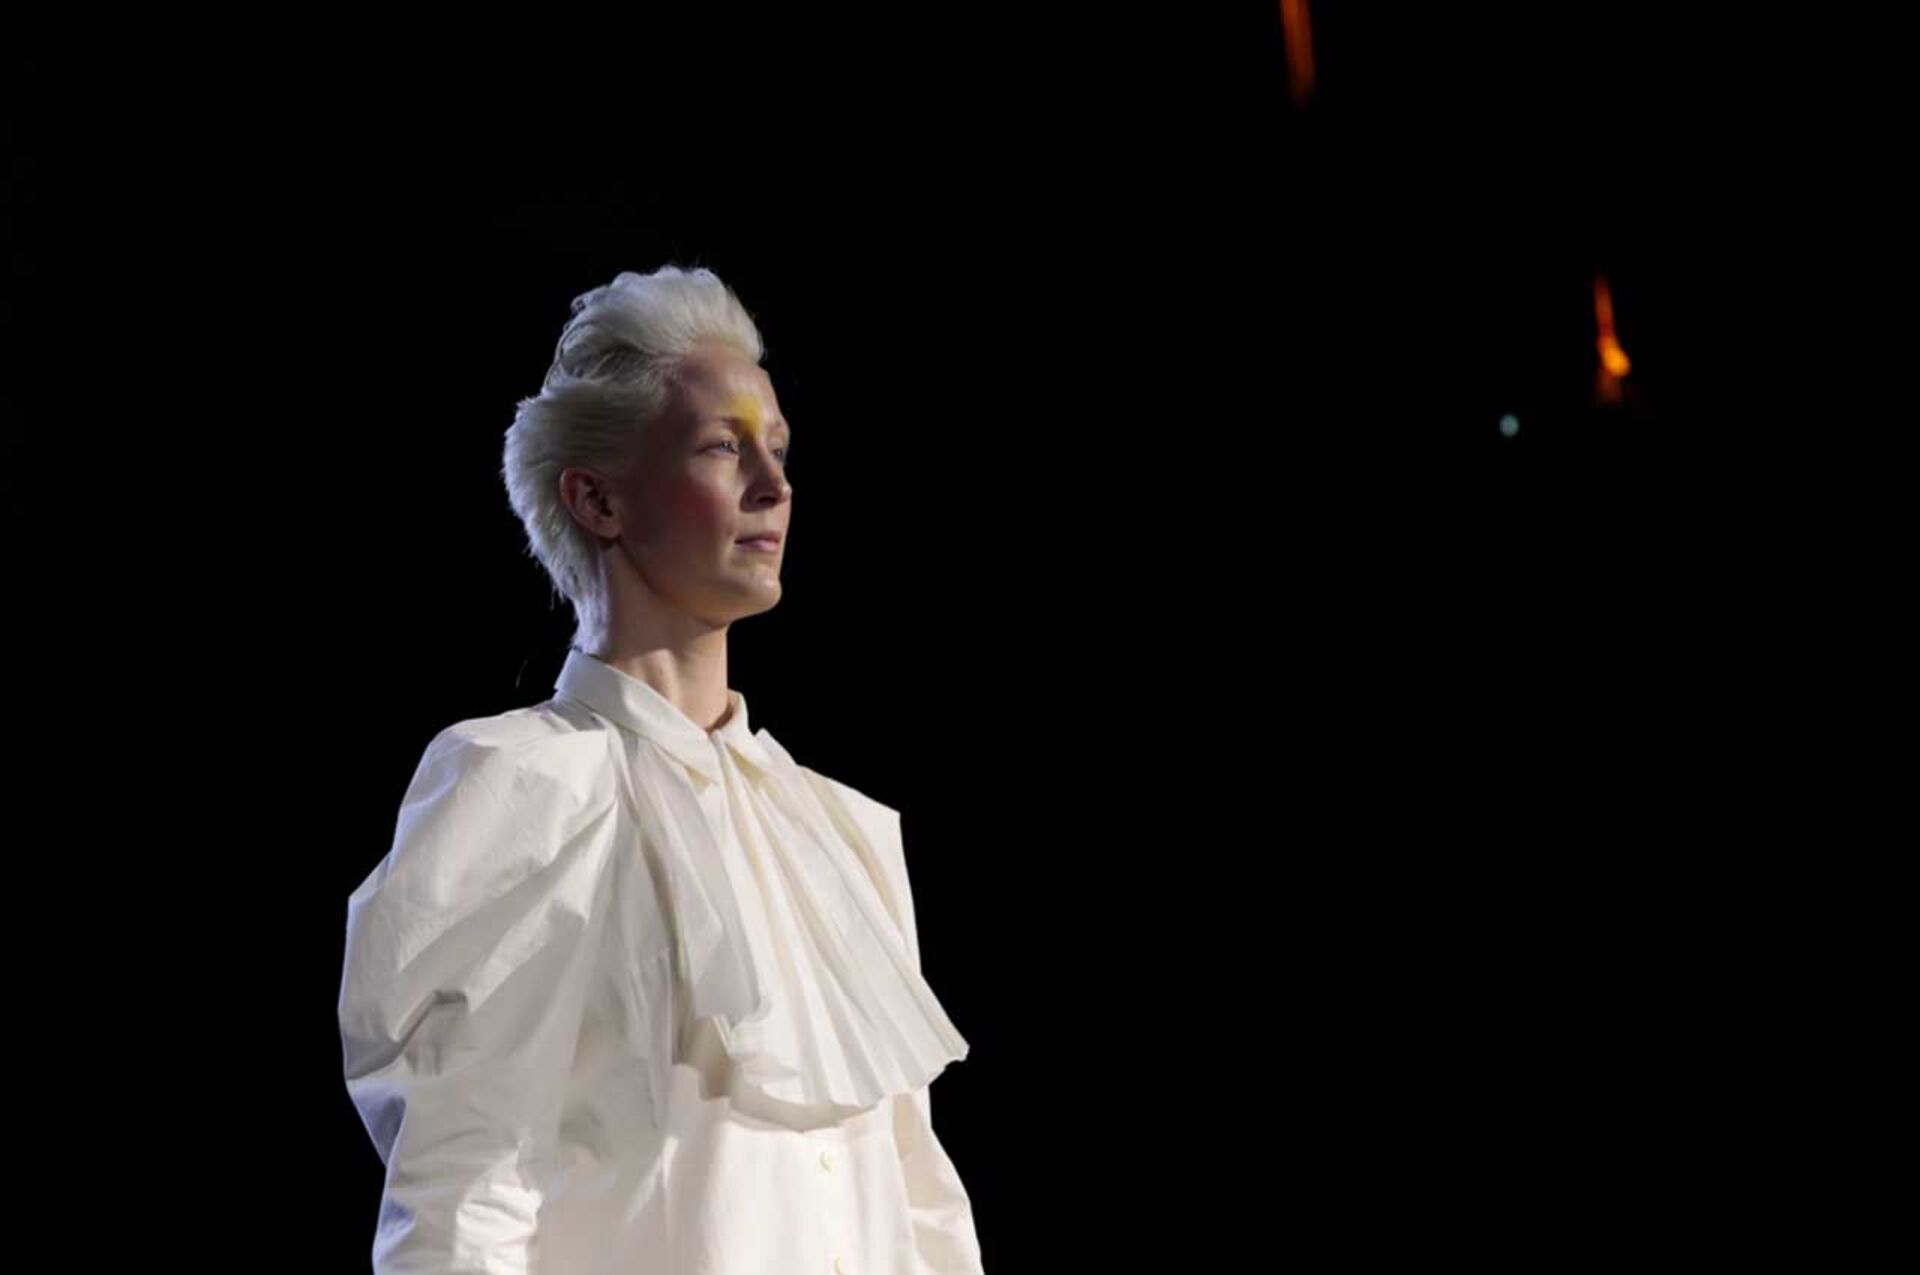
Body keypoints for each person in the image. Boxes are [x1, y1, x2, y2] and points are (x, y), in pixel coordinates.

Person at [336, 265, 985, 1274]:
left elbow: (919, 1201)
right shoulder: (524, 787)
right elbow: (465, 1189)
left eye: (778, 450)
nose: (774, 487)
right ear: (597, 498)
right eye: (724, 446)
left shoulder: (842, 831)